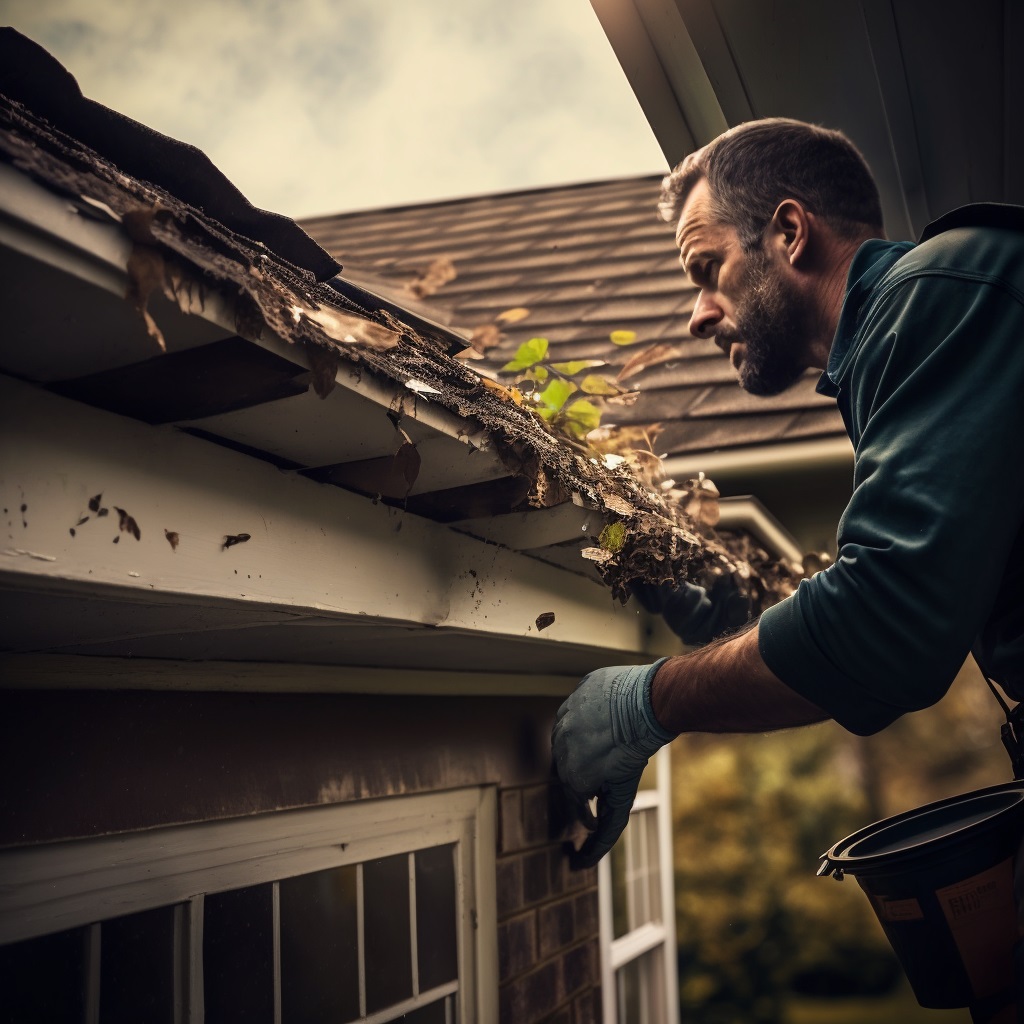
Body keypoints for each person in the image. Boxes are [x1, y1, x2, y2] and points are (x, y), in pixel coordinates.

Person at [551, 117, 1024, 1015]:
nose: (696, 315)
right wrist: (735, 620)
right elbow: (911, 599)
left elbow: (889, 631)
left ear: (789, 233)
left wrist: (647, 701)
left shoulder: (946, 294)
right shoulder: (915, 329)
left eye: (705, 271)